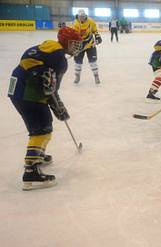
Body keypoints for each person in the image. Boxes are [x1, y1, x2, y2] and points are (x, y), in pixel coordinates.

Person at [7, 27, 82, 190]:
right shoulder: (60, 59)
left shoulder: (49, 47)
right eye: (74, 43)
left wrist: (56, 104)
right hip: (28, 93)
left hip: (17, 88)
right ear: (65, 42)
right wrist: (58, 108)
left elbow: (30, 65)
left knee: (39, 125)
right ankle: (31, 172)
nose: (76, 47)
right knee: (42, 128)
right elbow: (51, 89)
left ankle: (37, 155)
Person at [73, 9, 102, 84]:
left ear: (85, 15)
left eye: (83, 16)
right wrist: (75, 46)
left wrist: (97, 36)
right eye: (80, 16)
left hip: (90, 44)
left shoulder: (90, 21)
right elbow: (74, 36)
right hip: (79, 45)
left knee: (93, 62)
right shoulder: (75, 24)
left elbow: (95, 30)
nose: (82, 18)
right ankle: (77, 76)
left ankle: (96, 76)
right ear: (78, 16)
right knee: (78, 62)